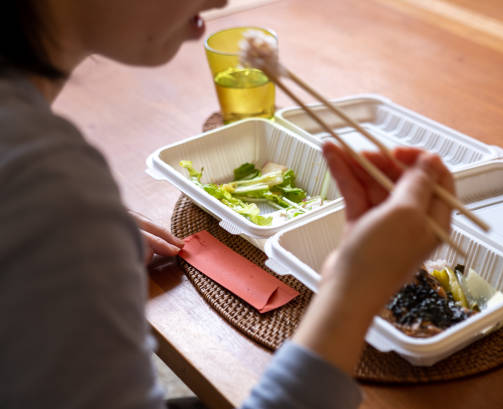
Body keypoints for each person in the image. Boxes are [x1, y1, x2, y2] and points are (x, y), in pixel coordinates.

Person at [0, 1, 454, 408]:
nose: (223, 0)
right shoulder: (46, 183)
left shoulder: (39, 189)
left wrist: (68, 247)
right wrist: (354, 291)